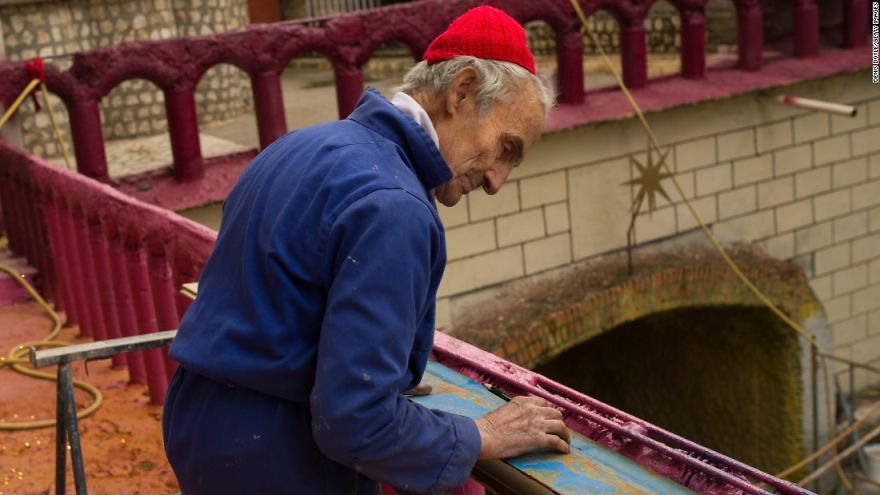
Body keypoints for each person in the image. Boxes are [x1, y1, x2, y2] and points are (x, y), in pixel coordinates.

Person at [162, 6, 570, 494]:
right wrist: (481, 434)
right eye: (505, 148)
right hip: (279, 458)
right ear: (460, 92)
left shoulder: (298, 146)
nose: (497, 181)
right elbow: (356, 422)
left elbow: (284, 314)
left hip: (203, 429)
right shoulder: (396, 206)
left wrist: (380, 370)